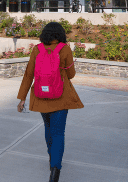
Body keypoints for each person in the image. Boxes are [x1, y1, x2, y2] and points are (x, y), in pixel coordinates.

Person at [17, 22, 84, 182]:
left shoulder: (37, 49)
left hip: (41, 96)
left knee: (48, 128)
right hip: (61, 97)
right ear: (60, 34)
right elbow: (71, 74)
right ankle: (55, 169)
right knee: (59, 132)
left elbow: (28, 74)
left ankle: (51, 158)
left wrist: (22, 97)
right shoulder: (65, 49)